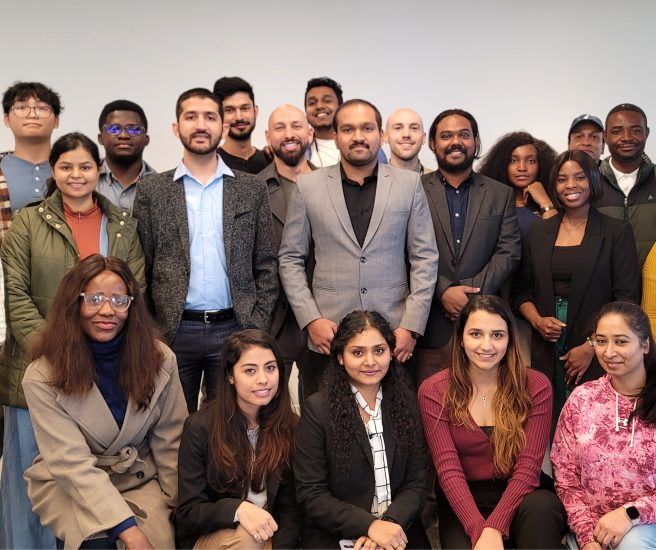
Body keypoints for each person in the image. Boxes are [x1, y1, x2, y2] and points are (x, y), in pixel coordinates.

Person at [0, 132, 144, 549]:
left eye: (84, 166)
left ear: (97, 170)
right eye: (66, 166)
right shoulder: (28, 221)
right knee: (31, 480)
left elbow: (133, 291)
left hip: (103, 371)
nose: (76, 175)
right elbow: (18, 297)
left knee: (81, 480)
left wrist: (98, 356)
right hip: (36, 370)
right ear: (53, 171)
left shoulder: (122, 225)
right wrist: (56, 357)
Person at [22, 255, 187, 549]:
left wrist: (178, 505)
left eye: (119, 300)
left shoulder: (160, 360)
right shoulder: (41, 375)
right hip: (70, 484)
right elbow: (70, 464)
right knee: (96, 542)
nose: (108, 310)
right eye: (95, 299)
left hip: (138, 477)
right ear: (75, 303)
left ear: (131, 305)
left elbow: (171, 439)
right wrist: (128, 530)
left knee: (161, 541)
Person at [279, 98, 438, 396]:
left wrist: (411, 326)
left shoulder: (409, 184)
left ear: (380, 133)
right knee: (328, 428)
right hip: (329, 335)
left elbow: (425, 257)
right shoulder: (308, 186)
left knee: (397, 425)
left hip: (393, 335)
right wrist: (311, 318)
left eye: (367, 128)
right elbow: (289, 259)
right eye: (348, 129)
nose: (358, 137)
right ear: (335, 136)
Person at [133, 88, 278, 414]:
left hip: (235, 328)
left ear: (223, 126)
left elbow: (266, 264)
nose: (201, 125)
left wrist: (256, 325)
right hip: (173, 332)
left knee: (231, 426)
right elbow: (142, 265)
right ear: (176, 128)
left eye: (210, 117)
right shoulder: (153, 190)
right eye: (191, 117)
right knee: (170, 427)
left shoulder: (250, 188)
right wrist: (152, 331)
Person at [419, 295, 566, 549]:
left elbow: (529, 468)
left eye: (497, 335)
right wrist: (481, 530)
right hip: (463, 498)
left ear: (509, 340)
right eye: (476, 334)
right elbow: (448, 471)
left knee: (541, 509)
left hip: (523, 494)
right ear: (460, 340)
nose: (486, 345)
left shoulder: (535, 385)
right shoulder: (434, 391)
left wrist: (495, 526)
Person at [513, 150, 640, 423]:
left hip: (596, 344)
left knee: (592, 423)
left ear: (592, 181)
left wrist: (592, 345)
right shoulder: (539, 232)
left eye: (579, 177)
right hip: (546, 345)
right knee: (547, 417)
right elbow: (521, 290)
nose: (570, 185)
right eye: (562, 179)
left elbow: (627, 299)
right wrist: (537, 322)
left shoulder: (616, 232)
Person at [294, 310, 428, 549]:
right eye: (357, 352)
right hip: (338, 532)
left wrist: (388, 523)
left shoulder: (406, 403)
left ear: (390, 353)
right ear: (340, 357)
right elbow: (312, 494)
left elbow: (417, 482)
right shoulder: (317, 410)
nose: (370, 361)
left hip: (398, 527)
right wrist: (370, 526)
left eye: (379, 350)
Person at [416, 109, 521, 383]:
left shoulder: (500, 193)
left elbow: (508, 252)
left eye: (464, 135)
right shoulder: (413, 190)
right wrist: (444, 290)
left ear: (476, 141)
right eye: (446, 135)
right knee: (432, 407)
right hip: (430, 325)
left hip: (486, 325)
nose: (455, 142)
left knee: (485, 405)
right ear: (432, 144)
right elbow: (403, 250)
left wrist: (471, 294)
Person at [175, 329, 300, 549]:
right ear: (230, 376)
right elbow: (189, 511)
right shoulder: (199, 427)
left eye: (270, 368)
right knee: (248, 539)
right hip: (218, 535)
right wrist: (237, 509)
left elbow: (291, 508)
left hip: (271, 536)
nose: (263, 379)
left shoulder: (291, 425)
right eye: (250, 370)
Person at [552, 301, 656, 549]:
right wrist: (587, 538)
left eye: (620, 341)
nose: (608, 352)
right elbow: (566, 480)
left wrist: (631, 514)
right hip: (591, 529)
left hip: (647, 525)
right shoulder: (582, 399)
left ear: (645, 345)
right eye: (600, 341)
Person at [256, 105, 314, 374]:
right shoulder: (252, 188)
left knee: (323, 404)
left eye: (296, 126)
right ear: (268, 137)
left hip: (322, 315)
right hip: (274, 316)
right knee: (270, 404)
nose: (289, 134)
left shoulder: (332, 185)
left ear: (310, 133)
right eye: (280, 128)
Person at [0, 81, 61, 242]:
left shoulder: (77, 170)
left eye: (42, 108)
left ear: (56, 120)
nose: (32, 114)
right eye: (21, 108)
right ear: (6, 119)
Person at [596, 103, 655, 266]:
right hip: (604, 288)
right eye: (617, 131)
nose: (627, 137)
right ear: (605, 136)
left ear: (647, 133)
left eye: (636, 130)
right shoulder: (589, 184)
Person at [478, 131, 558, 237]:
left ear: (541, 165)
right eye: (513, 161)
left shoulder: (553, 199)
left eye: (531, 161)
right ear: (502, 165)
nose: (522, 168)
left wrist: (544, 200)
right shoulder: (490, 202)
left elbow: (557, 237)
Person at [304, 77, 387, 168]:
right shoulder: (300, 151)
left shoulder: (371, 148)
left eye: (327, 101)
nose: (319, 106)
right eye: (312, 103)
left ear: (340, 107)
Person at [96, 99, 155, 212]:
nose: (123, 135)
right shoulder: (84, 181)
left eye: (134, 130)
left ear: (146, 140)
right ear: (100, 138)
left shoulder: (161, 186)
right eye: (114, 129)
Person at [214, 76, 271, 174]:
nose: (239, 117)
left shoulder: (271, 161)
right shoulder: (212, 164)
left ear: (255, 111)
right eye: (229, 110)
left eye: (245, 108)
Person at [384, 108, 431, 174]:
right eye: (398, 128)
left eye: (414, 128)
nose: (406, 134)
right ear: (385, 137)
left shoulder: (440, 183)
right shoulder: (371, 182)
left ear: (423, 138)